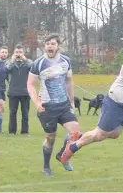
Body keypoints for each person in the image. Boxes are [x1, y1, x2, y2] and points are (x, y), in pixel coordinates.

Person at [27, 33, 82, 177]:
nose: (49, 46)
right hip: (47, 107)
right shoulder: (38, 63)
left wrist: (71, 101)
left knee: (75, 133)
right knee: (51, 138)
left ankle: (62, 155)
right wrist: (37, 103)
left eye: (52, 43)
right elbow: (30, 85)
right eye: (47, 44)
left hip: (63, 105)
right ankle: (46, 167)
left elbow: (69, 81)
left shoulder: (66, 61)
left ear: (58, 46)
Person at [6, 44, 33, 136]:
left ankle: (25, 131)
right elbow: (7, 69)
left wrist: (25, 60)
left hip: (25, 92)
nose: (18, 54)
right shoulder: (10, 62)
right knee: (12, 113)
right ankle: (12, 131)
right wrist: (12, 60)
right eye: (17, 52)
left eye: (20, 52)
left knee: (25, 114)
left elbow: (33, 68)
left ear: (23, 53)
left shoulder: (28, 62)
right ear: (14, 53)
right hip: (13, 92)